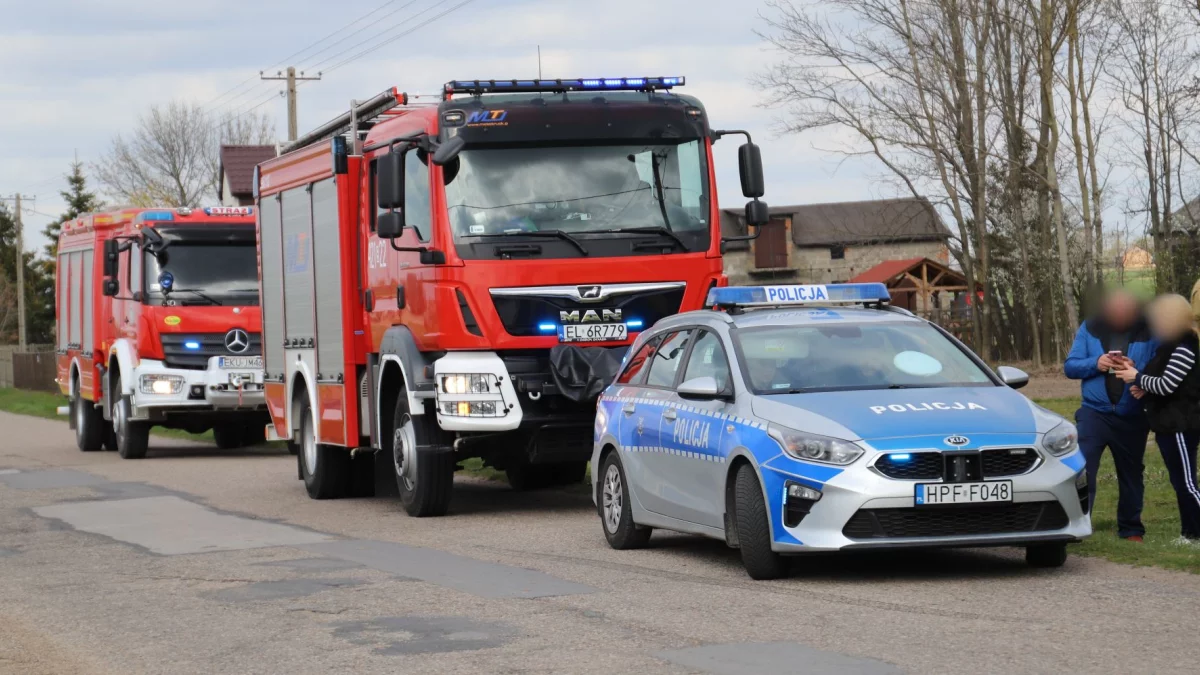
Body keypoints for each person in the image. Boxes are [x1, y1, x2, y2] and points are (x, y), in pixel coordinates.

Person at [1064, 290, 1157, 542]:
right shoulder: (1090, 327)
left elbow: (1160, 366)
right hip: (1094, 414)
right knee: (1083, 471)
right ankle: (1079, 526)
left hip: (1132, 414)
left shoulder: (1150, 331)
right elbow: (1070, 366)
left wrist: (1135, 370)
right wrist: (1097, 362)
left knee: (1131, 474)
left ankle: (1131, 529)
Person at [1114, 294, 1200, 545]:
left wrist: (1136, 378)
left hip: (1181, 425)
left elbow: (1166, 385)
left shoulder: (1185, 348)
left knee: (1187, 483)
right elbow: (1157, 378)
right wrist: (1139, 378)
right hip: (1167, 424)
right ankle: (1191, 534)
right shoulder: (1168, 346)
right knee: (1180, 482)